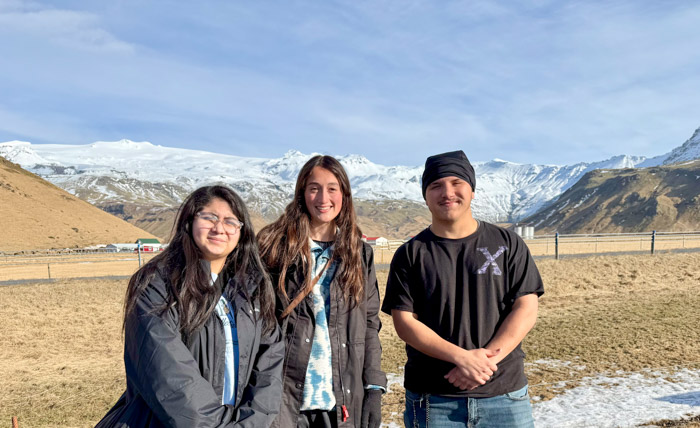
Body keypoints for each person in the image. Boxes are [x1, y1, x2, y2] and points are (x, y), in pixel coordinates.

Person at [96, 185, 284, 428]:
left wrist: (250, 423)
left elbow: (270, 364)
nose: (219, 228)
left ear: (241, 232)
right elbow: (168, 374)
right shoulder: (158, 284)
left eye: (230, 221)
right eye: (209, 218)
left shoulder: (252, 290)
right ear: (190, 221)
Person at [381, 151, 544, 428]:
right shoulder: (410, 254)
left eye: (457, 182)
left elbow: (526, 307)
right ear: (425, 195)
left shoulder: (508, 243)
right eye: (436, 185)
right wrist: (462, 358)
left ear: (472, 189)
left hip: (504, 396)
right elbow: (405, 322)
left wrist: (484, 363)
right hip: (434, 400)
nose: (447, 192)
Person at [257, 155, 386, 428]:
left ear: (344, 195)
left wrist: (374, 387)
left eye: (332, 188)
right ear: (302, 192)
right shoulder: (275, 246)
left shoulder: (359, 254)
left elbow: (370, 325)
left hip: (341, 400)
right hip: (283, 399)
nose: (323, 197)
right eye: (314, 188)